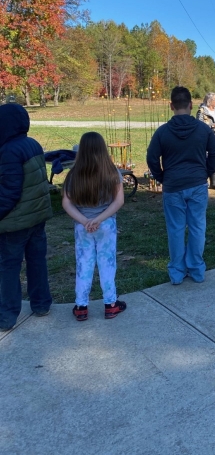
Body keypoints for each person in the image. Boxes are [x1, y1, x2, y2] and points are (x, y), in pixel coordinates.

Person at [147, 86, 215, 285]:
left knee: (176, 229)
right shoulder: (203, 129)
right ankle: (196, 270)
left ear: (171, 106)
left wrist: (161, 177)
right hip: (197, 184)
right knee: (197, 227)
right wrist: (206, 172)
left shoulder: (162, 132)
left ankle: (177, 273)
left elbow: (152, 158)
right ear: (190, 105)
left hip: (173, 186)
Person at [62, 132, 126, 321]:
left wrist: (84, 221)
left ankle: (81, 306)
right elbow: (119, 201)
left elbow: (66, 203)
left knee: (84, 265)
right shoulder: (112, 172)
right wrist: (100, 219)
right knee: (107, 263)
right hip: (106, 225)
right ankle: (110, 304)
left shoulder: (73, 175)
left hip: (83, 227)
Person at [0, 104, 53, 332]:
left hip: (15, 223)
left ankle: (6, 316)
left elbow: (9, 192)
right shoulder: (33, 144)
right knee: (36, 261)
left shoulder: (9, 151)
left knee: (8, 268)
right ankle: (41, 304)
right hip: (37, 218)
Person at [196, 92, 215, 190]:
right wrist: (213, 125)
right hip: (206, 139)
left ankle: (214, 182)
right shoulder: (201, 111)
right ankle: (203, 181)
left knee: (214, 159)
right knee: (205, 159)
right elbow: (199, 125)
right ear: (210, 101)